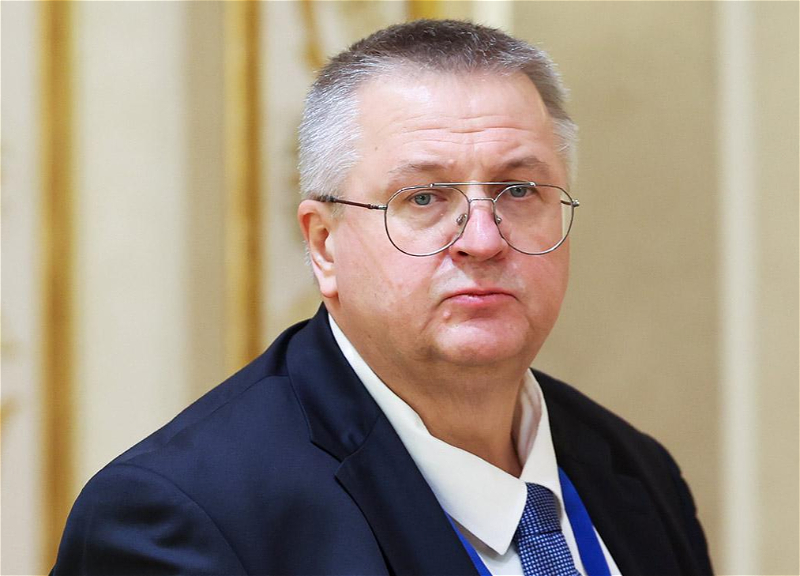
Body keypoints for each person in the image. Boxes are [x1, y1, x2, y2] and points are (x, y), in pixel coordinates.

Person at [51, 20, 713, 576]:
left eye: (519, 191)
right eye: (423, 198)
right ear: (324, 244)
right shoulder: (182, 518)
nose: (482, 240)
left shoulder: (636, 471)